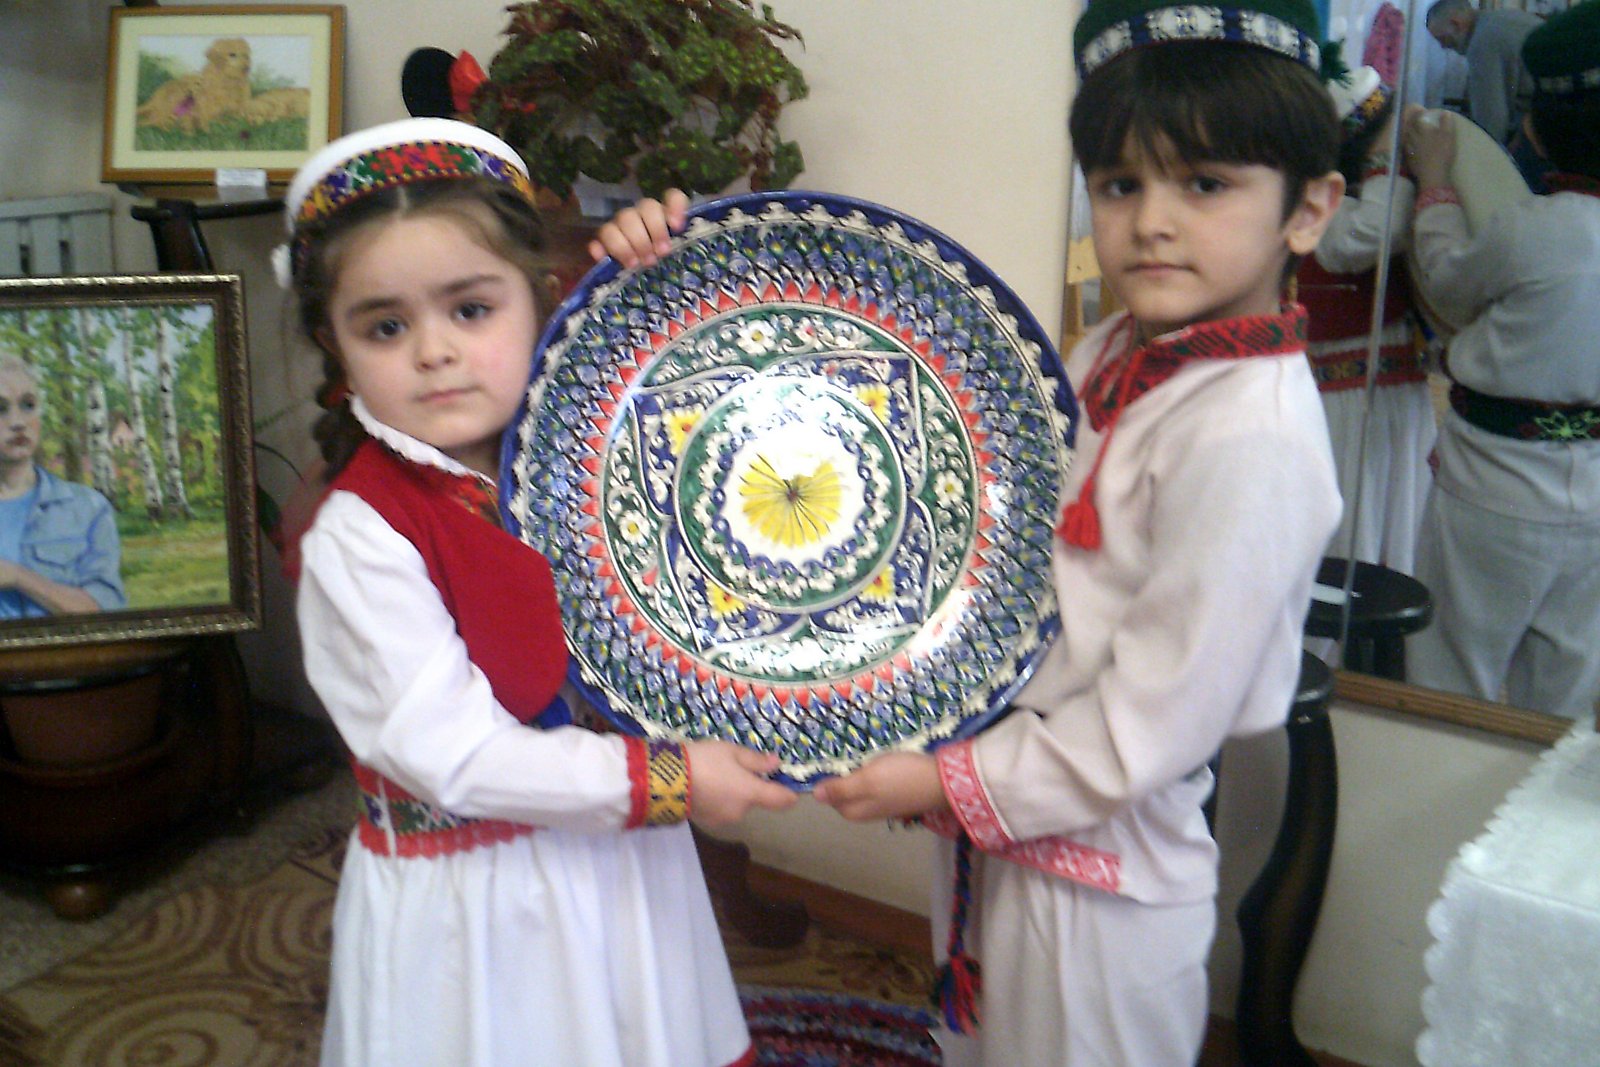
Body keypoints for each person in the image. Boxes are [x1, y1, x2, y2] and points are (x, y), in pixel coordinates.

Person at [606, 1, 1346, 1062]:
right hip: (1010, 828)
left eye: (1205, 184)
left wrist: (946, 780)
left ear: (1308, 209)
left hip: (1102, 881)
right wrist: (678, 271)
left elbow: (1156, 721)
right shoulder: (1116, 354)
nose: (1152, 221)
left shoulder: (1253, 435)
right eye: (1120, 184)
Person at [279, 117, 796, 1067]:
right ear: (334, 346)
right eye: (386, 326)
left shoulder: (593, 446)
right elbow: (455, 755)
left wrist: (647, 274)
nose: (434, 351)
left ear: (542, 300)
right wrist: (669, 778)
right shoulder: (360, 533)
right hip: (486, 899)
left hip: (621, 853)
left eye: (471, 309)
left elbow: (733, 426)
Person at [1402, 0, 1600, 722]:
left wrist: (1435, 183)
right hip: (1594, 488)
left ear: (1541, 128)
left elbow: (1446, 277)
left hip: (1497, 482)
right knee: (1565, 695)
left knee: (1452, 676)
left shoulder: (1534, 230)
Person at [1297, 66, 1435, 573]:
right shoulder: (1323, 209)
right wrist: (1384, 160)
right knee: (1357, 524)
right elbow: (1378, 230)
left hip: (1394, 385)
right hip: (1351, 397)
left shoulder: (1382, 194)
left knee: (1400, 514)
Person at [0, 352, 125, 618]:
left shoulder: (87, 508)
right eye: (0, 408)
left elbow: (107, 614)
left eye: (28, 405)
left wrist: (18, 576)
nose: (18, 422)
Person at [1425, 0, 1549, 188]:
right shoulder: (1498, 19)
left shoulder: (1482, 43)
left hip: (1546, 125)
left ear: (1456, 24)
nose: (1443, 47)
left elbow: (1491, 124)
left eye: (1443, 40)